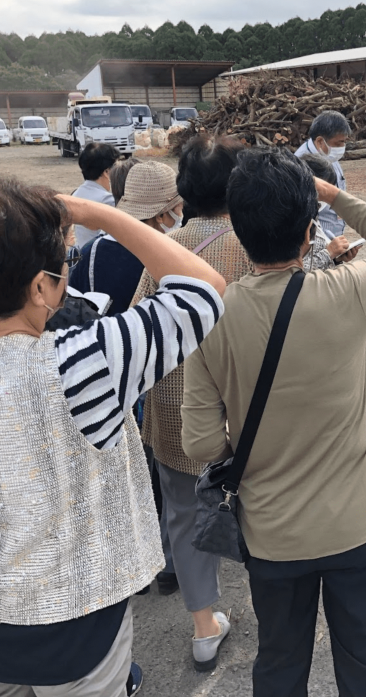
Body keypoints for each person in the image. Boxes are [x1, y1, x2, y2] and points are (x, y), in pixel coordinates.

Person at [0, 173, 226, 696]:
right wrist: (97, 214)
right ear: (42, 287)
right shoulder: (87, 361)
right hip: (80, 623)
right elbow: (202, 288)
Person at [181, 147, 366, 696]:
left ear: (239, 233)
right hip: (360, 519)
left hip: (272, 532)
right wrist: (333, 193)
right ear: (310, 231)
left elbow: (199, 443)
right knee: (364, 652)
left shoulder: (213, 315)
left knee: (281, 659)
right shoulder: (348, 290)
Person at [132, 134, 251, 670]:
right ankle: (274, 606)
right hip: (241, 402)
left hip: (173, 406)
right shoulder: (254, 241)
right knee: (260, 505)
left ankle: (204, 627)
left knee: (182, 513)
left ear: (184, 191)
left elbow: (140, 323)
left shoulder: (165, 247)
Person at [70, 160, 184, 315]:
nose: (180, 215)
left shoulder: (91, 252)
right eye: (178, 208)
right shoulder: (168, 256)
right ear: (161, 215)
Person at [294, 110, 350, 239]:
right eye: (338, 143)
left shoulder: (329, 156)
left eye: (344, 142)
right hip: (315, 240)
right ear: (320, 141)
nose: (342, 147)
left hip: (332, 237)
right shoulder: (302, 165)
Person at [300, 154, 362, 270]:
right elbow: (293, 273)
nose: (325, 198)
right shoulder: (290, 223)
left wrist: (336, 258)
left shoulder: (311, 214)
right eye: (322, 191)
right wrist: (329, 253)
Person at [72, 142, 120, 246]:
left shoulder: (76, 194)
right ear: (107, 172)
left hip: (81, 253)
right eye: (116, 166)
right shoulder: (107, 200)